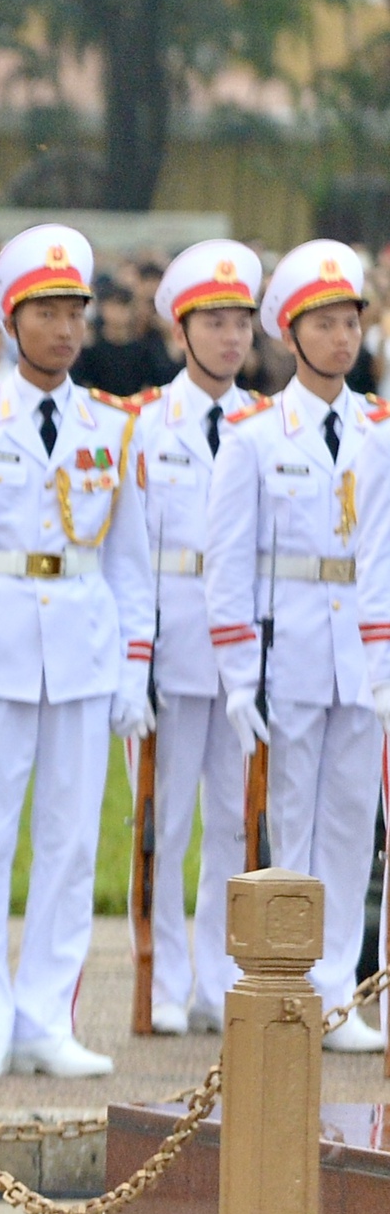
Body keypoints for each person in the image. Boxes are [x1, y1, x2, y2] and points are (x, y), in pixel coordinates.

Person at [0, 224, 152, 1078]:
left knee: (70, 842)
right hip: (0, 658)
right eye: (45, 312)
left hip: (84, 656)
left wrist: (134, 667)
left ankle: (46, 1017)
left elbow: (132, 566)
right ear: (9, 321)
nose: (63, 329)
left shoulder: (111, 425)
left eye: (73, 313)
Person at [219, 241, 386, 1051]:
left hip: (359, 652)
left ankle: (338, 997)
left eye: (351, 322)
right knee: (293, 823)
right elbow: (230, 562)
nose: (342, 338)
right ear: (291, 334)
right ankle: (289, 988)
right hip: (286, 652)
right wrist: (236, 671)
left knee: (352, 822)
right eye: (324, 324)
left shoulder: (378, 430)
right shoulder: (255, 434)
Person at [124, 240, 261, 1036]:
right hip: (171, 638)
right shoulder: (145, 423)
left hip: (236, 646)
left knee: (235, 821)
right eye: (214, 322)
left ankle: (216, 977)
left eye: (241, 322)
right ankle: (164, 979)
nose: (230, 339)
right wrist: (135, 657)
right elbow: (131, 550)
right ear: (183, 330)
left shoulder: (263, 422)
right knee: (166, 819)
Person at [74, 281, 182, 399]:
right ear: (103, 309)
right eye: (113, 306)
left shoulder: (143, 351)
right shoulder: (91, 350)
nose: (118, 313)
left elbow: (151, 386)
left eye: (123, 306)